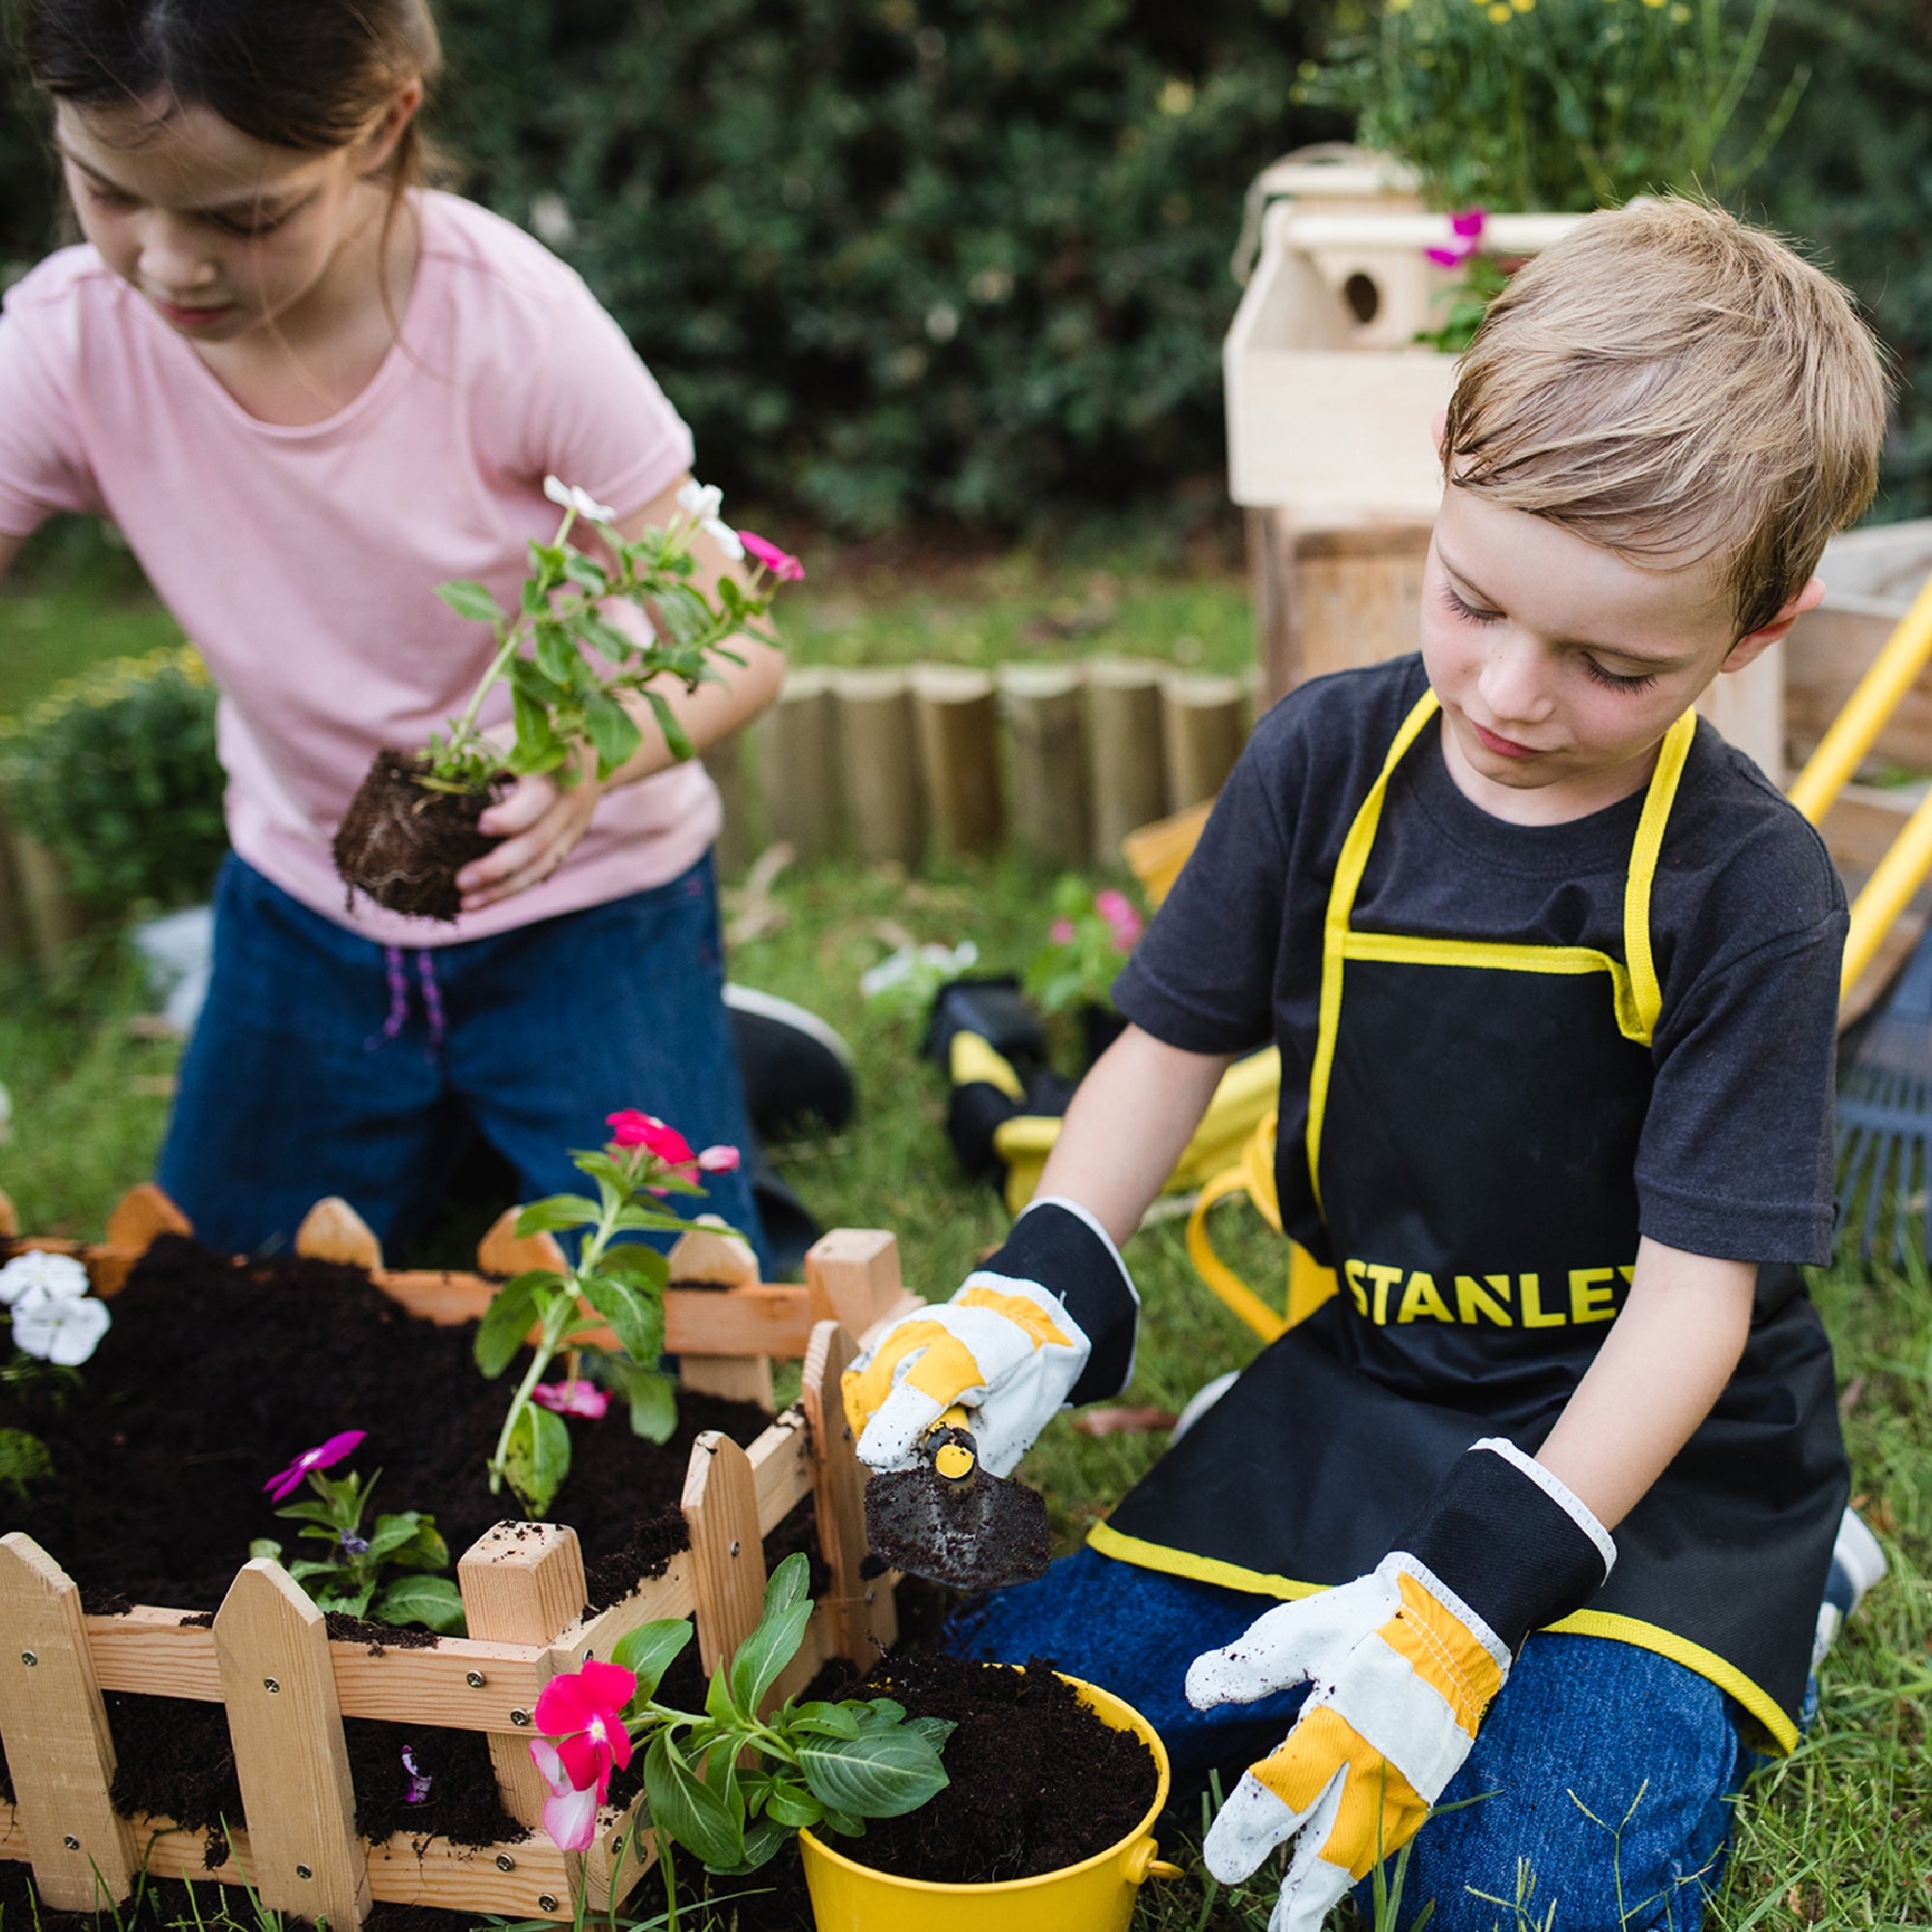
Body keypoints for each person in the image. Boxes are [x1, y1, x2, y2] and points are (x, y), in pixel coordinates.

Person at [843, 200, 1889, 1930]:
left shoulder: (1749, 884)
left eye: (1613, 663)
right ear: (1444, 480)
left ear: (1755, 632)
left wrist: (1477, 1598)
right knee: (1018, 1723)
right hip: (1375, 1389)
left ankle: (1795, 1583)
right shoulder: (1326, 760)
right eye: (1471, 599)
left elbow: (1699, 1302)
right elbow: (1161, 1053)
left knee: (1527, 1887)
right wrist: (1039, 1280)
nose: (1512, 690)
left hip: (1655, 1463)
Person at [0, 0, 778, 1265]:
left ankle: (649, 1061)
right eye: (109, 193)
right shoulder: (67, 342)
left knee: (674, 1292)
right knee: (222, 1298)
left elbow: (747, 638)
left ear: (382, 125)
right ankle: (464, 1121)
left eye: (242, 217)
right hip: (307, 918)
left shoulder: (512, 326)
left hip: (589, 915)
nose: (168, 264)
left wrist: (590, 757)